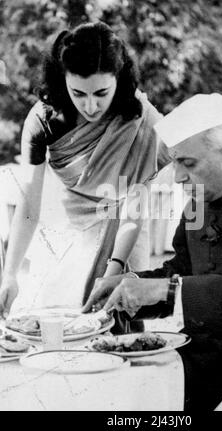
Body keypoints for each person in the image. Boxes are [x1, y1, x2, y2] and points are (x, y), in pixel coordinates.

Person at [83, 93, 222, 410]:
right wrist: (128, 285)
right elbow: (178, 274)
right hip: (201, 361)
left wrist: (165, 290)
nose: (180, 177)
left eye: (188, 163)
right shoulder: (196, 203)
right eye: (175, 164)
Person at [0, 21, 169, 333]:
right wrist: (9, 274)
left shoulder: (139, 118)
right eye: (78, 93)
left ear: (119, 79)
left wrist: (114, 268)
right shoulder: (43, 119)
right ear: (62, 80)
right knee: (55, 328)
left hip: (128, 227)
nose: (91, 106)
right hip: (66, 227)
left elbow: (134, 208)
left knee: (122, 330)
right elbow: (28, 208)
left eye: (101, 93)